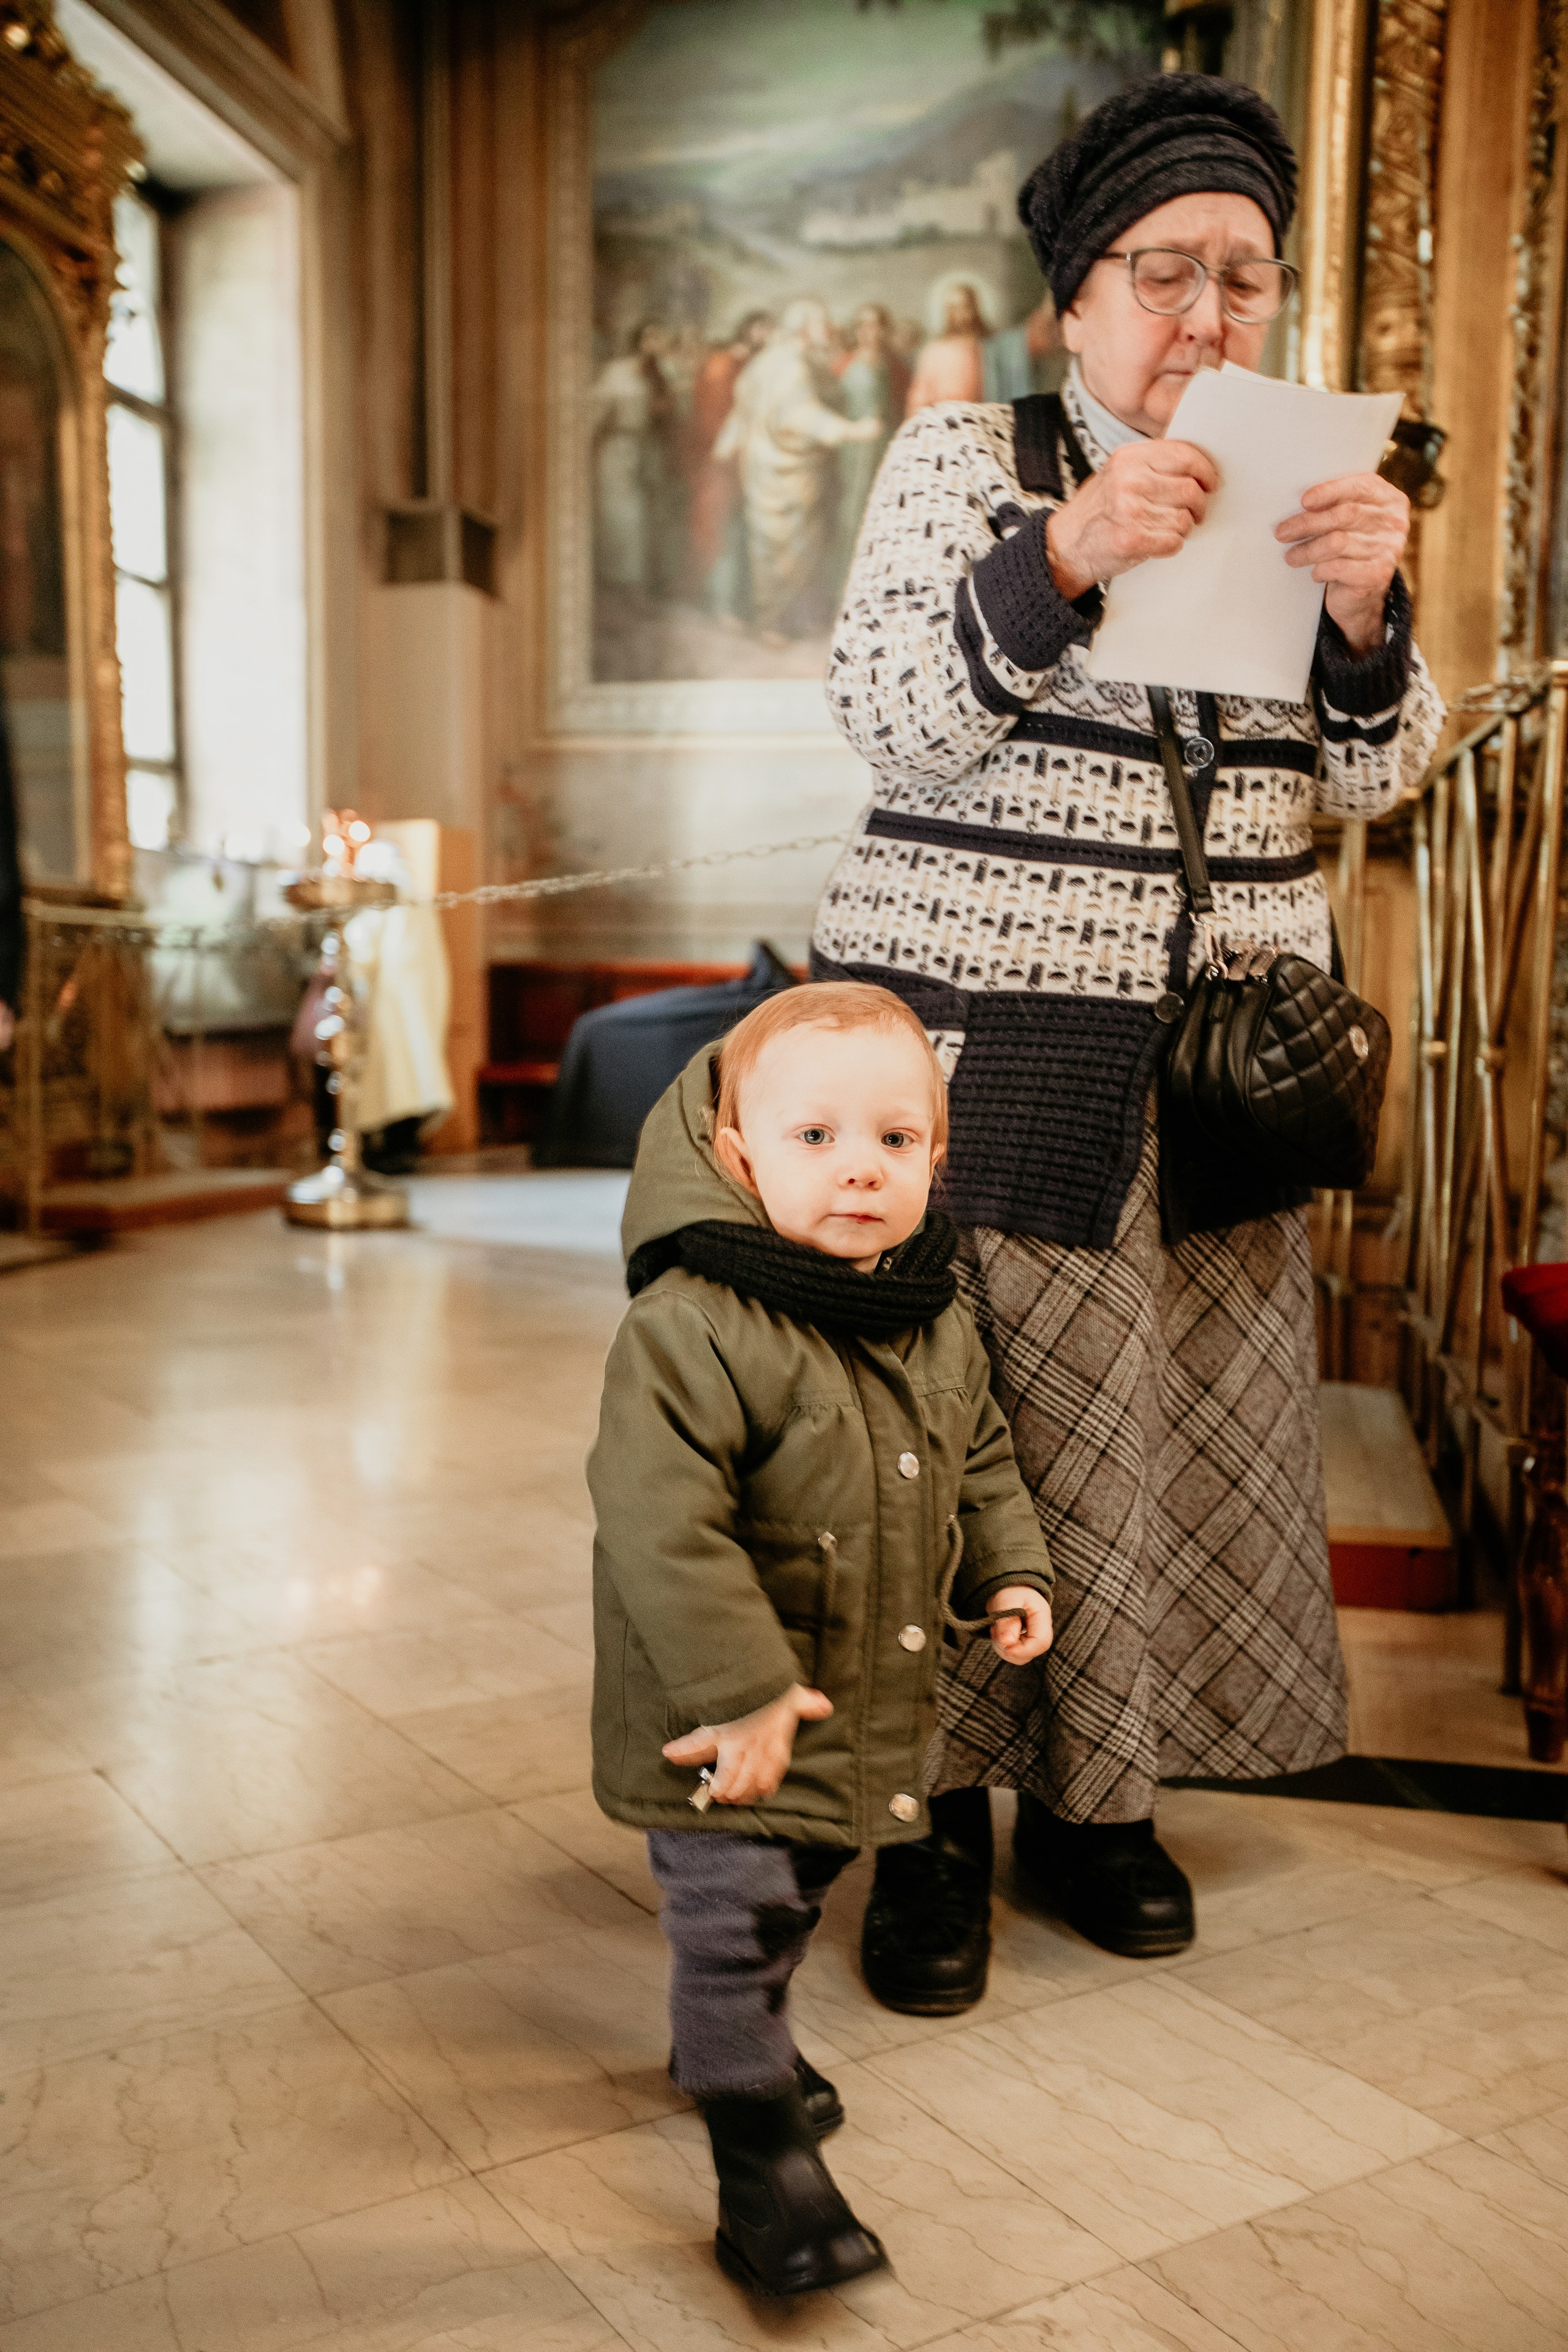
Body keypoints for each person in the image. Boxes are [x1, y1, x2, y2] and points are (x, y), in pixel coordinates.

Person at [810, 74, 1446, 2007]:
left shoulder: (1319, 475)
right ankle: (928, 1828)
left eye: (1243, 274)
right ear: (1074, 299)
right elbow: (887, 711)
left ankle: (1103, 1805)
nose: (1207, 313)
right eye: (1163, 272)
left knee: (1161, 1455)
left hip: (1225, 1059)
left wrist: (1368, 615)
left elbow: (1379, 776)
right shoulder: (966, 456)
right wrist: (1066, 550)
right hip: (982, 1045)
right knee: (954, 1453)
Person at [587, 982, 1054, 2297]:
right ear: (739, 1157)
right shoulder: (689, 1325)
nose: (861, 1166)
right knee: (732, 1921)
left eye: (895, 1140)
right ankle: (763, 2167)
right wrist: (741, 1690)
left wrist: (1010, 1565)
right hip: (717, 1717)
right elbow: (657, 1523)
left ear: (935, 1156)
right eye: (815, 1138)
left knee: (794, 1895)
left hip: (850, 1695)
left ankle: (733, 2043)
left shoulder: (927, 1307)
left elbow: (979, 1452)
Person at [714, 300, 881, 645]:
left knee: (773, 544)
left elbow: (742, 408)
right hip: (785, 472)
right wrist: (855, 430)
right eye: (822, 323)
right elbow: (802, 417)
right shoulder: (791, 367)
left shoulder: (765, 361)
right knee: (785, 548)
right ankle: (773, 624)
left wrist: (728, 445)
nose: (828, 329)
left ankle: (779, 620)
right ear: (805, 328)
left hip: (762, 466)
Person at [832, 303, 908, 574]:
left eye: (876, 326)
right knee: (852, 512)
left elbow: (902, 407)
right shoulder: (843, 365)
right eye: (863, 326)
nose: (870, 332)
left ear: (885, 330)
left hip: (885, 449)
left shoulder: (896, 367)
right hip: (851, 452)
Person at [904, 280, 990, 414]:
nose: (958, 314)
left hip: (982, 416)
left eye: (964, 307)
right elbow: (919, 398)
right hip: (942, 418)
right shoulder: (934, 351)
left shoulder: (988, 346)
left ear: (974, 309)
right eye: (952, 308)